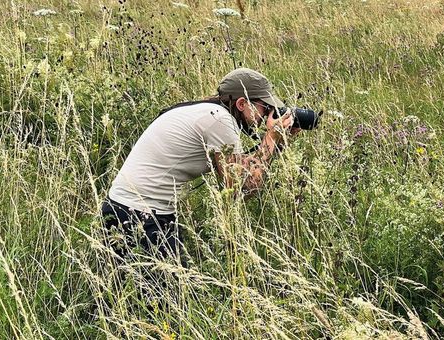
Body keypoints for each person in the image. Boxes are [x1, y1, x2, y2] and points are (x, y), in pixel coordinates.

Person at [100, 67, 299, 264]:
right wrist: (270, 140)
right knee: (170, 294)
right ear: (242, 103)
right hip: (141, 218)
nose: (267, 116)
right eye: (265, 107)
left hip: (126, 210)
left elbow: (239, 168)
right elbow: (242, 186)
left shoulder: (207, 111)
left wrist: (277, 143)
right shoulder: (220, 121)